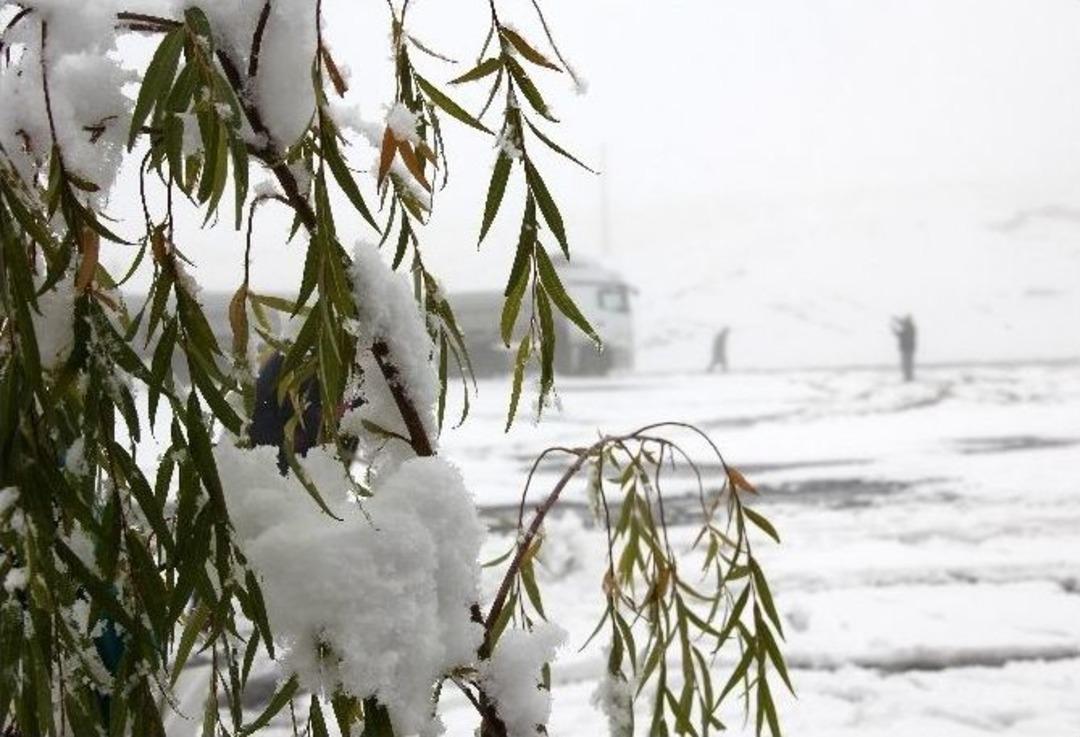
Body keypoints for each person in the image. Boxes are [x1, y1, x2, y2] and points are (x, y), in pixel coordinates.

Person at [891, 315, 917, 382]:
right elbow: (902, 323)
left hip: (907, 349)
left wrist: (894, 330)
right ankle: (908, 377)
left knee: (907, 363)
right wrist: (896, 319)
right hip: (908, 348)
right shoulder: (910, 327)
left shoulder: (910, 328)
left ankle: (908, 377)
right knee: (907, 363)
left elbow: (901, 335)